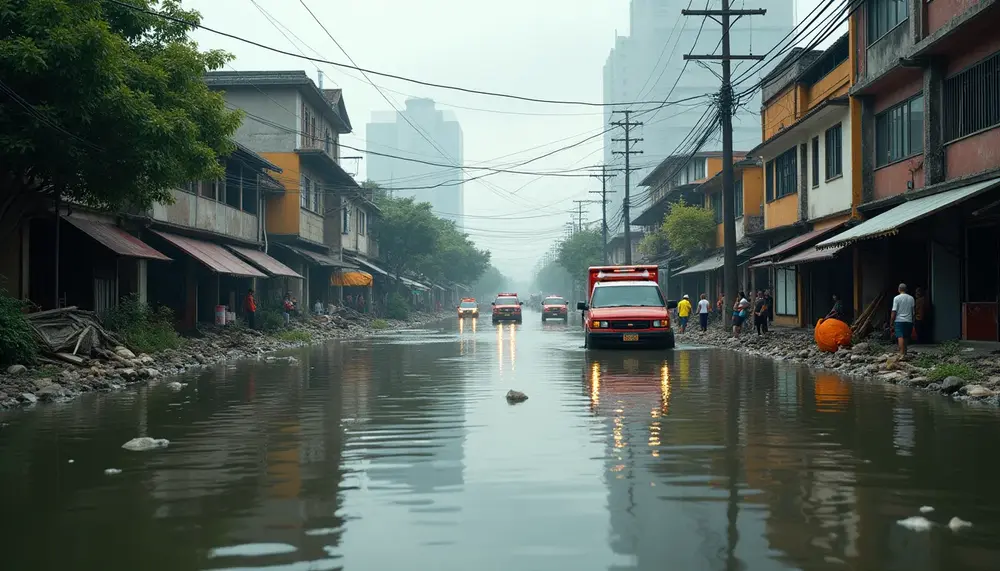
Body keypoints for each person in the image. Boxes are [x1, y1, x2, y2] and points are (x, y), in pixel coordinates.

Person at [891, 283, 916, 357]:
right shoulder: (911, 298)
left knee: (900, 336)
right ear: (906, 289)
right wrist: (913, 321)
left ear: (899, 289)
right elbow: (913, 312)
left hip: (899, 321)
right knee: (906, 336)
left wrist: (891, 321)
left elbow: (894, 311)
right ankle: (905, 352)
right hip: (909, 320)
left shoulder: (896, 298)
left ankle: (901, 354)